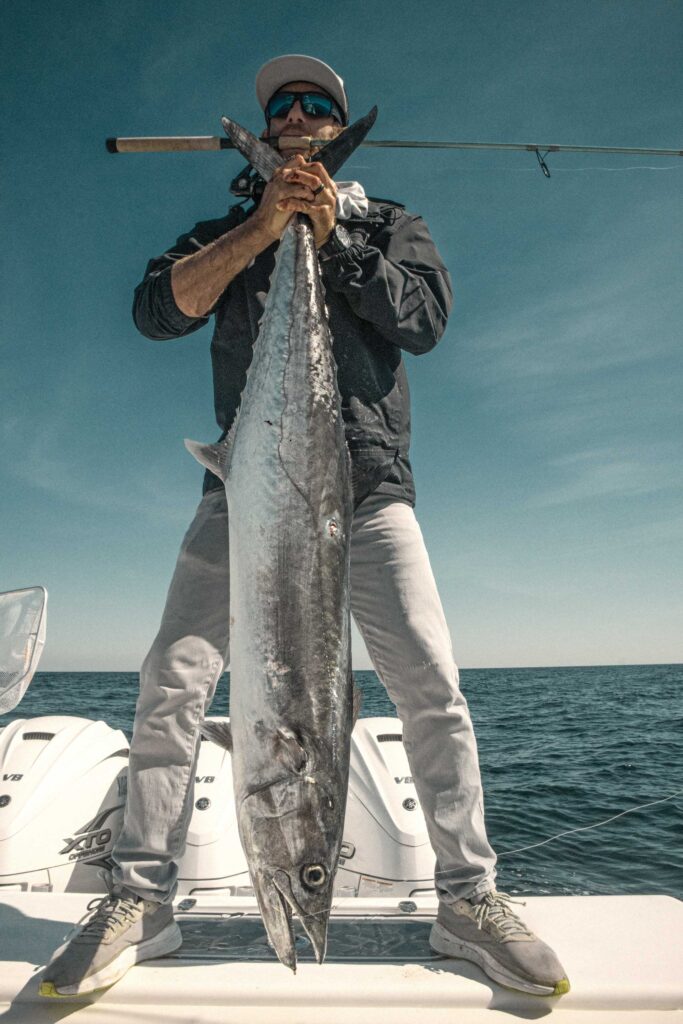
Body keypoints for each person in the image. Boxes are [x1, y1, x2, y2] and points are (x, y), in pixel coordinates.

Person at [40, 54, 569, 999]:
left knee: (430, 686)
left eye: (314, 104)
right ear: (269, 130)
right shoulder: (221, 231)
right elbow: (162, 310)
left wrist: (334, 237)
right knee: (173, 679)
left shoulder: (390, 224)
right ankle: (138, 898)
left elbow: (422, 322)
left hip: (367, 490)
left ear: (332, 125)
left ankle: (467, 898)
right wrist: (264, 226)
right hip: (242, 494)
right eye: (280, 105)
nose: (295, 113)